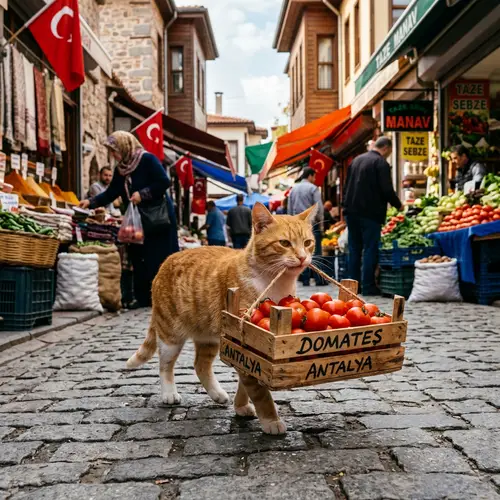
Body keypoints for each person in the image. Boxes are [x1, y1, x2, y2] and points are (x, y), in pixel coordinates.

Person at [80, 131, 179, 308]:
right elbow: (112, 192)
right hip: (138, 222)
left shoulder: (147, 160)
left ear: (125, 147)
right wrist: (91, 202)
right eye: (111, 151)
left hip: (157, 219)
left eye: (114, 150)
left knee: (157, 257)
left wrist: (143, 194)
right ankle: (142, 299)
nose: (113, 155)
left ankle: (162, 297)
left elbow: (163, 182)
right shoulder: (121, 169)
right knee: (137, 257)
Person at [343, 137, 402, 295]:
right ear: (386, 148)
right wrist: (399, 205)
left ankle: (352, 287)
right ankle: (368, 286)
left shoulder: (356, 160)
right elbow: (387, 190)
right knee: (370, 249)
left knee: (354, 249)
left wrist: (345, 207)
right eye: (389, 151)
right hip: (370, 213)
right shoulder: (380, 163)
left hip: (351, 211)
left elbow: (346, 185)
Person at [288, 167, 326, 286]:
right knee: (314, 251)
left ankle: (304, 279)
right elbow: (318, 207)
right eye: (314, 176)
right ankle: (319, 279)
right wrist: (321, 223)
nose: (314, 179)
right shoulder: (313, 188)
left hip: (295, 224)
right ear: (310, 176)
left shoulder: (294, 189)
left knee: (299, 252)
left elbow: (289, 208)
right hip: (310, 224)